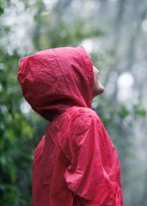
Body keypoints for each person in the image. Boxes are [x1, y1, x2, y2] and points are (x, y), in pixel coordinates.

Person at [17, 46, 123, 206]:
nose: (96, 69)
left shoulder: (45, 142)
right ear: (74, 75)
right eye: (88, 63)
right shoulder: (84, 120)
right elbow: (96, 192)